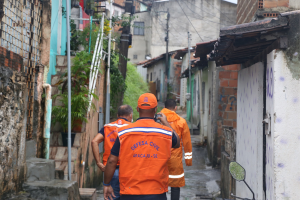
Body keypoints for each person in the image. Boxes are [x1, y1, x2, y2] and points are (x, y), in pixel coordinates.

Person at [103, 93, 180, 200]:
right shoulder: (166, 132)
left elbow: (111, 160)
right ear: (156, 109)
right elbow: (177, 143)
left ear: (137, 109)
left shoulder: (123, 132)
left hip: (129, 192)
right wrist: (165, 122)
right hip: (157, 192)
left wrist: (106, 184)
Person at [91, 105, 133, 200]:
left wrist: (98, 162)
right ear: (130, 115)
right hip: (127, 170)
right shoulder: (132, 128)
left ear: (118, 115)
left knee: (111, 197)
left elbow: (94, 141)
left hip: (109, 170)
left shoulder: (107, 127)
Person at [161, 99, 193, 200]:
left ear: (164, 107)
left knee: (160, 184)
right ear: (175, 108)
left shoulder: (157, 120)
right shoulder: (181, 121)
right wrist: (188, 160)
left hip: (159, 157)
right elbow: (187, 142)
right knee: (175, 185)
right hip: (175, 159)